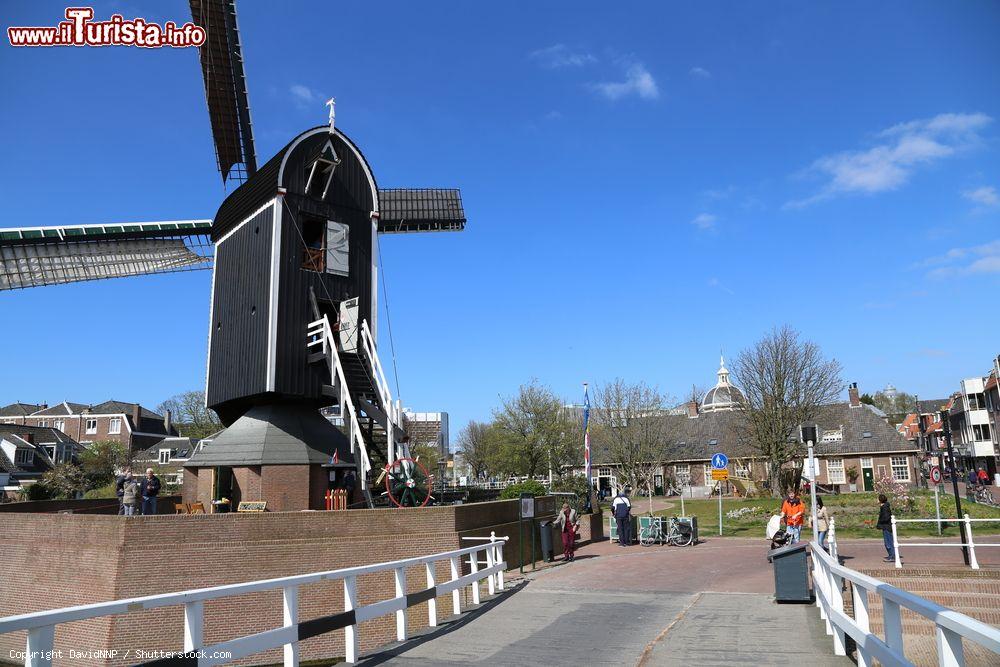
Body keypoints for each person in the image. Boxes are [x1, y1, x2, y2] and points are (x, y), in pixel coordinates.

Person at [876, 493, 894, 562]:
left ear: (880, 500)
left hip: (887, 527)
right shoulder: (884, 507)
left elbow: (886, 517)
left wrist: (880, 521)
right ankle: (890, 555)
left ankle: (892, 556)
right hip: (885, 527)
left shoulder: (885, 507)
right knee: (887, 542)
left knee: (888, 542)